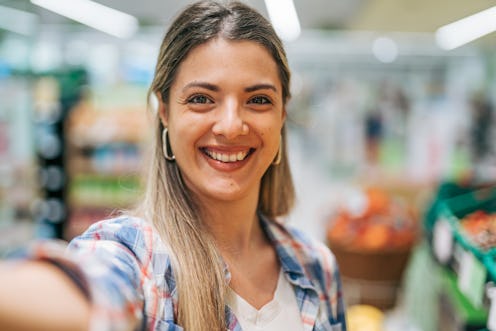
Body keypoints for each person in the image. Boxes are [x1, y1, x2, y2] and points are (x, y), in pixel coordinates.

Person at [0, 1, 347, 330]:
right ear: (165, 112)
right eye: (201, 99)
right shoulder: (138, 256)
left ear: (282, 115)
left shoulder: (315, 266)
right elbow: (93, 289)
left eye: (258, 100)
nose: (230, 125)